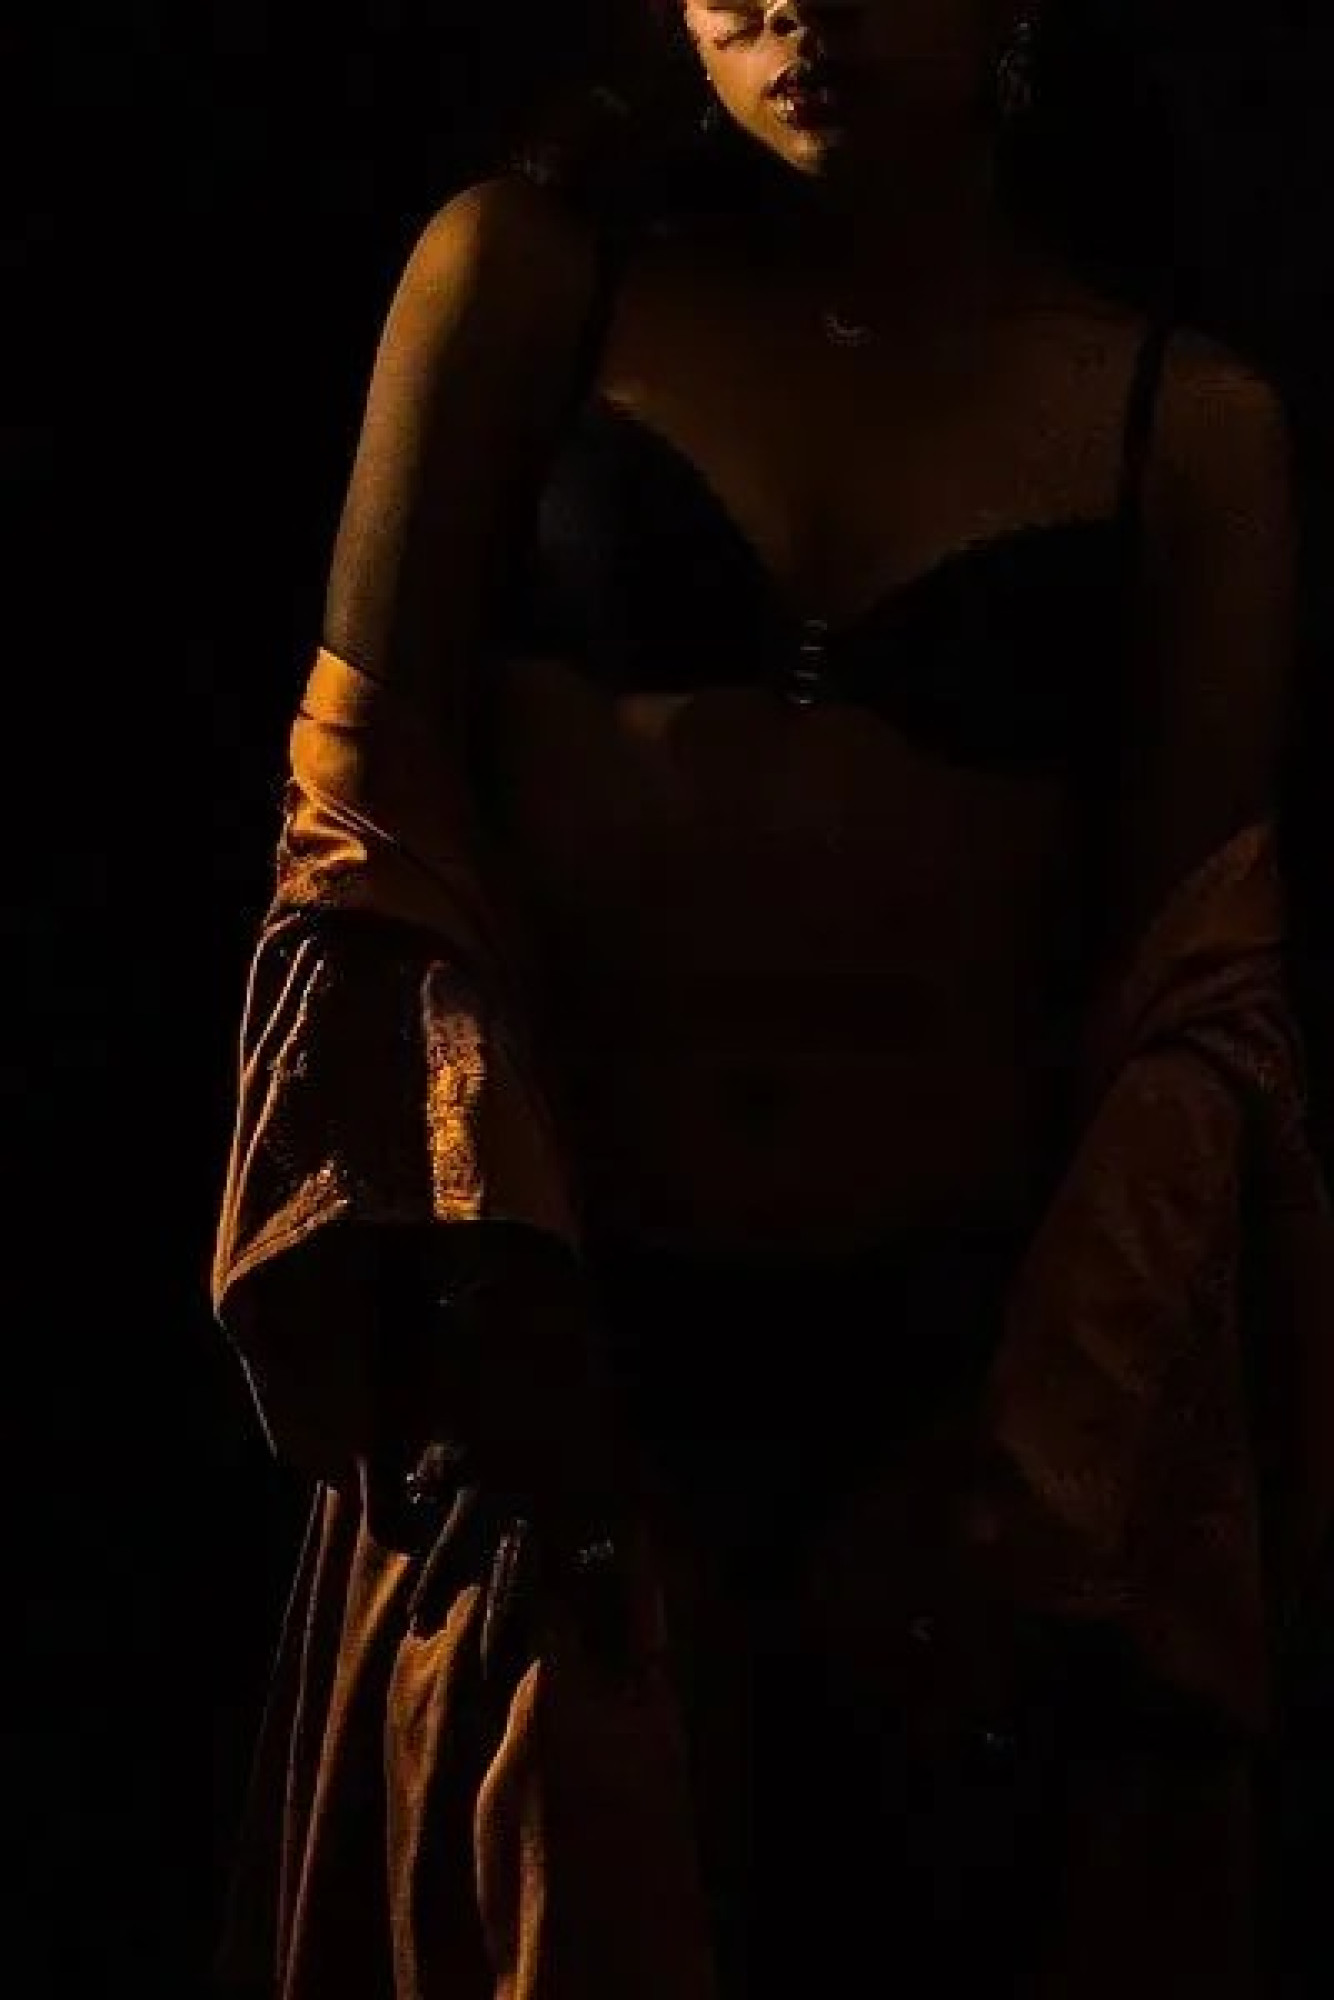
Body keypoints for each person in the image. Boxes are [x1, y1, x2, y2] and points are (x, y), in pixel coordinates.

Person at [212, 3, 1334, 1994]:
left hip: (944, 1395)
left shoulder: (1186, 424)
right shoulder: (525, 283)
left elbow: (1190, 1006)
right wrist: (483, 1297)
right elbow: (364, 828)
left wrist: (1033, 1481)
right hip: (549, 1359)